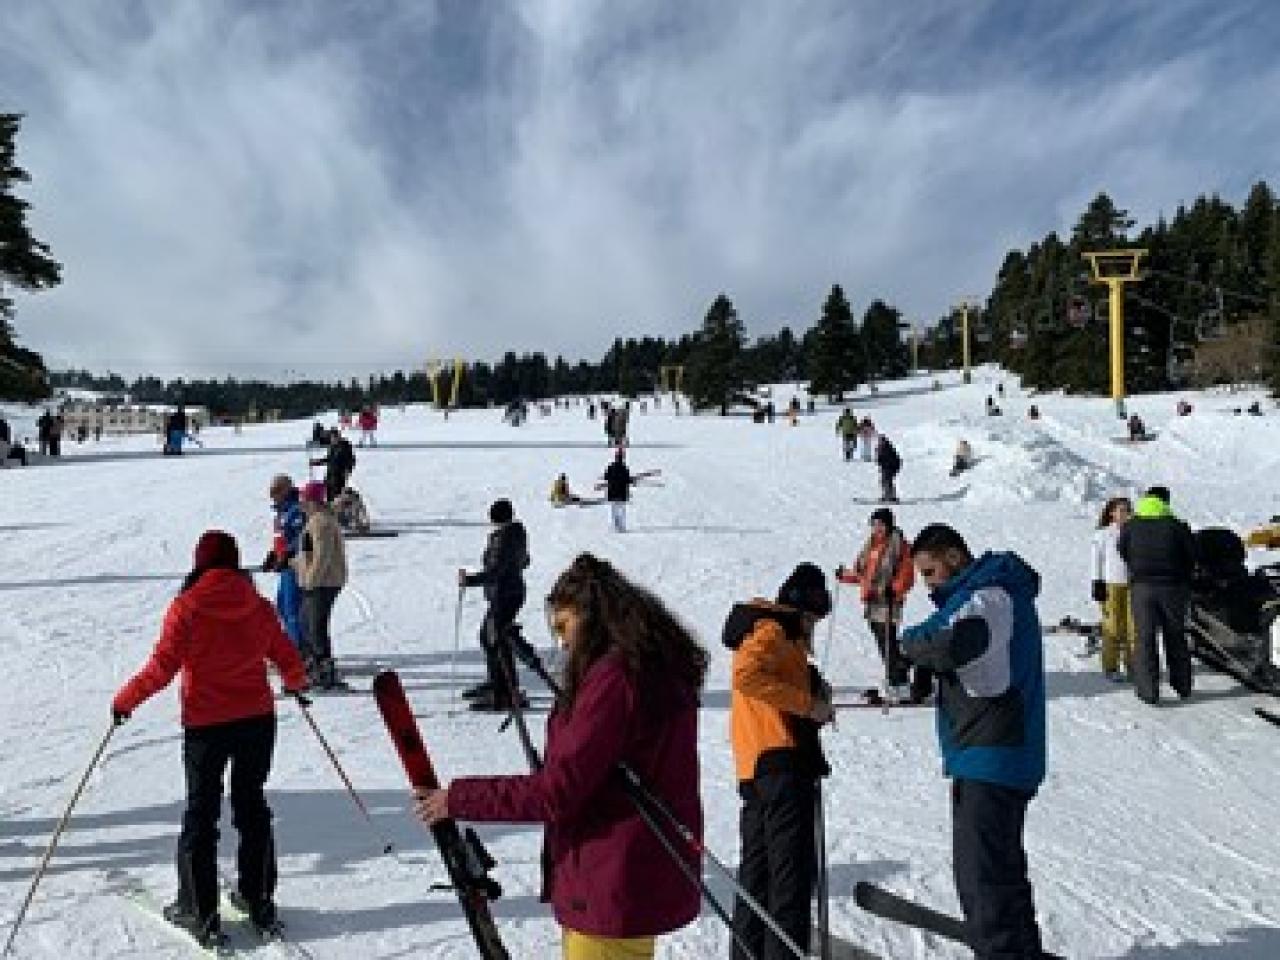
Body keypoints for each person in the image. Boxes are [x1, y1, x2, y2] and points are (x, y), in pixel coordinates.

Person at [416, 554, 706, 960]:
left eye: (564, 626)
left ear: (591, 618)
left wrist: (459, 798)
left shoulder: (615, 680)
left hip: (611, 877)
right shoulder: (648, 667)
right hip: (630, 873)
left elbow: (558, 790)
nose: (563, 642)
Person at [111, 530, 308, 946]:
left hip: (207, 724)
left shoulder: (187, 607)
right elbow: (285, 653)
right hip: (256, 720)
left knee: (202, 814)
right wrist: (295, 682)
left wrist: (126, 701)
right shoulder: (256, 606)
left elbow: (162, 667)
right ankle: (258, 898)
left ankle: (199, 911)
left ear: (199, 563)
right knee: (251, 806)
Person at [900, 524, 1046, 959]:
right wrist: (923, 656)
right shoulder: (985, 592)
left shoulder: (989, 594)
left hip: (992, 750)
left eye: (930, 572)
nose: (928, 584)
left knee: (982, 879)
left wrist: (912, 649)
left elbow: (954, 642)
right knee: (999, 871)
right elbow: (946, 633)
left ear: (954, 557)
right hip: (993, 750)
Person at [724, 563, 834, 959]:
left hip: (757, 766)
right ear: (801, 608)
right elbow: (747, 676)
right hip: (781, 765)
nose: (813, 629)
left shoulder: (770, 632)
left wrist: (809, 691)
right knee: (790, 880)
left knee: (758, 877)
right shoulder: (773, 629)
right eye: (813, 620)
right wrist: (808, 705)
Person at [837, 509, 928, 702]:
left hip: (888, 602)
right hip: (872, 602)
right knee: (884, 644)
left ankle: (899, 682)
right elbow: (863, 575)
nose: (877, 528)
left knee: (888, 643)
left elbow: (907, 575)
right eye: (874, 524)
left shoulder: (900, 546)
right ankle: (902, 673)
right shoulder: (871, 546)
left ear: (889, 525)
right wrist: (845, 576)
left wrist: (893, 590)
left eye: (881, 524)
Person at [1116, 486, 1197, 705]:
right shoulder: (1177, 526)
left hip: (1142, 588)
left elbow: (1122, 550)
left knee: (1144, 638)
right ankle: (1182, 685)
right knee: (1175, 636)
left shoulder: (1131, 526)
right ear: (1165, 502)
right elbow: (1191, 555)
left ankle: (1148, 691)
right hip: (1173, 588)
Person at [458, 499, 530, 710]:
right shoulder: (516, 533)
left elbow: (496, 571)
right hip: (508, 592)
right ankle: (496, 682)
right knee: (487, 637)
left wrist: (469, 580)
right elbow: (525, 560)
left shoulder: (504, 538)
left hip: (505, 594)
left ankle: (506, 692)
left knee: (498, 640)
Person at [293, 481, 348, 689]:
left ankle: (324, 671)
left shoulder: (321, 522)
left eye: (304, 500)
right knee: (307, 622)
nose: (301, 504)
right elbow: (309, 553)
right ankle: (314, 666)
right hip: (319, 580)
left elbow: (322, 555)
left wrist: (311, 580)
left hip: (324, 582)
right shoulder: (317, 520)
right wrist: (292, 563)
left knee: (315, 625)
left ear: (312, 501)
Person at [1091, 497, 1135, 682]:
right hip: (1112, 585)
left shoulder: (1135, 532)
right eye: (1121, 510)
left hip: (1132, 584)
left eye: (1128, 510)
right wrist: (1097, 582)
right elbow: (1096, 560)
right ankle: (1111, 666)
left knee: (1133, 628)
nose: (1125, 514)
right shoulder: (1103, 534)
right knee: (1114, 627)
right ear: (1112, 513)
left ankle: (1133, 665)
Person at [262, 474, 306, 648]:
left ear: (287, 490)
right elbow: (281, 537)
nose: (273, 495)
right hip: (285, 565)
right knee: (281, 607)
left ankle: (299, 648)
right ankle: (293, 644)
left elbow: (301, 537)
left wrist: (287, 553)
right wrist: (274, 554)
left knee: (292, 607)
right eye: (272, 492)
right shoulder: (281, 512)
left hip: (295, 565)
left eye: (277, 491)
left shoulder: (296, 510)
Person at [311, 430, 356, 502]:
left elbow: (351, 460)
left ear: (338, 437)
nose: (332, 439)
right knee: (329, 495)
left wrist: (348, 471)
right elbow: (328, 459)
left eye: (333, 437)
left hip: (340, 475)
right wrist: (317, 462)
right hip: (330, 475)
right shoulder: (332, 446)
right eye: (331, 438)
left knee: (337, 496)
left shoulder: (345, 446)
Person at [601, 449, 635, 532]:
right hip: (622, 494)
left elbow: (606, 477)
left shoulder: (610, 467)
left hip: (612, 493)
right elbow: (628, 480)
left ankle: (614, 526)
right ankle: (621, 527)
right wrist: (632, 481)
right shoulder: (625, 469)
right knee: (622, 511)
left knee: (614, 511)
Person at [874, 435, 901, 504]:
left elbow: (895, 459)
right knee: (884, 482)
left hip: (890, 468)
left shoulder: (888, 448)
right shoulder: (881, 448)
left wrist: (894, 468)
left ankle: (891, 496)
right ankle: (886, 495)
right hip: (885, 468)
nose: (880, 442)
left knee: (888, 482)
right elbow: (879, 460)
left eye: (881, 441)